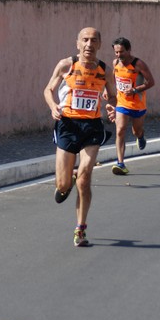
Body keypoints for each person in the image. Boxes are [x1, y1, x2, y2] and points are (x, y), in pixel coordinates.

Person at [43, 27, 117, 247]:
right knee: (63, 185)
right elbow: (48, 89)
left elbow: (112, 95)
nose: (89, 44)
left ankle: (80, 229)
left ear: (99, 44)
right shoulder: (66, 65)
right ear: (77, 43)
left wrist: (112, 106)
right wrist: (53, 106)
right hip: (67, 124)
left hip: (92, 126)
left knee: (85, 178)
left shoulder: (104, 70)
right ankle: (68, 181)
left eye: (93, 40)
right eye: (85, 40)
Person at [111, 37, 155, 175]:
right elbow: (114, 79)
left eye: (122, 52)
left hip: (137, 104)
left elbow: (151, 82)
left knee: (136, 131)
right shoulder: (115, 63)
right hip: (122, 103)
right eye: (116, 52)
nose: (119, 55)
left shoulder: (138, 64)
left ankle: (141, 136)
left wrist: (135, 90)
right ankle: (120, 163)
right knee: (120, 130)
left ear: (129, 50)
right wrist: (108, 92)